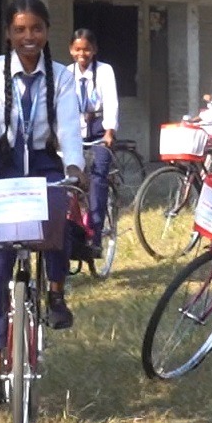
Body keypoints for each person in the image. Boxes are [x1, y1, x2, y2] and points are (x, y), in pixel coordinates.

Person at [0, 0, 84, 406]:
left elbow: (69, 127)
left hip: (44, 161)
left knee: (58, 220)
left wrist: (75, 166)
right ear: (9, 33)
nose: (29, 37)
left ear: (47, 32)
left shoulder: (61, 77)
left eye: (37, 29)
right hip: (3, 164)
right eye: (21, 30)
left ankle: (56, 293)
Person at [67, 28, 118, 256]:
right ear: (71, 51)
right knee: (70, 181)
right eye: (78, 49)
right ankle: (72, 232)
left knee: (98, 179)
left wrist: (109, 131)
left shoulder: (104, 71)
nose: (82, 53)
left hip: (99, 127)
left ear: (94, 50)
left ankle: (96, 236)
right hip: (76, 128)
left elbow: (111, 101)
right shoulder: (66, 74)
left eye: (87, 49)